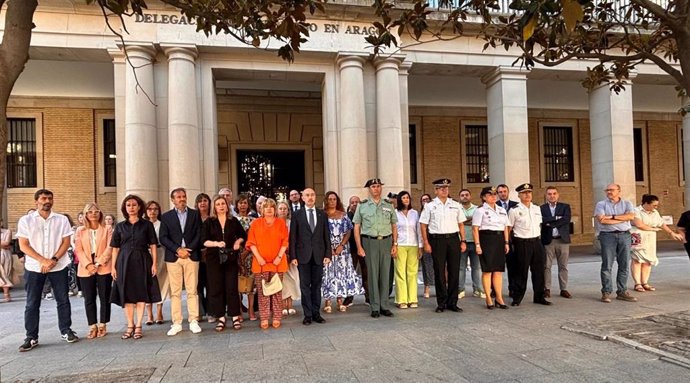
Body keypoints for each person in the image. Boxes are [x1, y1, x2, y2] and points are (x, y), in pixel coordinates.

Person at [17, 189, 77, 352]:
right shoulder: (26, 220)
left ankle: (66, 330)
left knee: (63, 300)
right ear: (36, 201)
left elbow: (66, 242)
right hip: (34, 267)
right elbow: (23, 245)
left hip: (58, 266)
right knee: (32, 302)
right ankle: (31, 336)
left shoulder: (61, 219)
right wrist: (43, 260)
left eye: (49, 198)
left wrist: (54, 260)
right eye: (43, 198)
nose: (47, 201)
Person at [110, 194, 161, 340]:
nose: (131, 207)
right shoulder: (120, 226)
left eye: (134, 205)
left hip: (142, 260)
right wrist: (113, 267)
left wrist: (154, 264)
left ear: (139, 207)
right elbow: (115, 248)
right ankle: (130, 325)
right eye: (128, 205)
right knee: (127, 296)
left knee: (141, 292)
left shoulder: (147, 225)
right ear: (125, 208)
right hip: (124, 262)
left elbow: (153, 245)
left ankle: (138, 325)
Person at [159, 188, 203, 335]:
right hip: (174, 257)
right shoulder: (166, 217)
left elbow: (199, 234)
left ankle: (193, 320)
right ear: (173, 200)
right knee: (175, 292)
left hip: (191, 256)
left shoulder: (195, 214)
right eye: (178, 197)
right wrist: (178, 250)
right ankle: (176, 323)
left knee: (192, 290)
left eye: (184, 196)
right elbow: (163, 238)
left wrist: (188, 249)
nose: (182, 199)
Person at [419, 179, 467, 313]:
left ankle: (453, 302)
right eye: (441, 188)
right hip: (437, 240)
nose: (444, 190)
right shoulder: (430, 206)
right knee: (439, 271)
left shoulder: (456, 205)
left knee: (454, 271)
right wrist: (426, 242)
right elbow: (423, 225)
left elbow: (461, 224)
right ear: (435, 190)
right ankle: (441, 302)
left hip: (453, 239)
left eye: (446, 187)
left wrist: (463, 240)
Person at [353, 178, 398, 319]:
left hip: (386, 241)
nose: (376, 189)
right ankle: (374, 306)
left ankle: (384, 306)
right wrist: (359, 246)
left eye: (378, 186)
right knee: (372, 274)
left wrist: (395, 244)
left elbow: (394, 225)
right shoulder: (362, 205)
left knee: (385, 274)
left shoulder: (388, 205)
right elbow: (356, 227)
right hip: (369, 241)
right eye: (373, 186)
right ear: (369, 189)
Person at [202, 195, 247, 331]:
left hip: (230, 258)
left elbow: (243, 236)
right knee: (216, 288)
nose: (221, 206)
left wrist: (237, 242)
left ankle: (234, 316)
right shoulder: (209, 222)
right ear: (214, 207)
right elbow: (203, 241)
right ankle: (220, 317)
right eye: (218, 204)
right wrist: (216, 243)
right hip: (214, 258)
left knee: (231, 287)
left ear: (227, 206)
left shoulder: (233, 221)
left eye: (223, 203)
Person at [289, 188, 331, 325]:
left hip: (319, 255)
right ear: (302, 197)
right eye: (307, 195)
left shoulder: (322, 214)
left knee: (317, 286)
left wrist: (328, 254)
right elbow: (293, 237)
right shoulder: (297, 215)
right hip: (303, 256)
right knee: (305, 286)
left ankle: (316, 313)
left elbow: (326, 236)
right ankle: (307, 315)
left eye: (312, 194)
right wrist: (293, 256)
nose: (310, 197)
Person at [246, 198, 289, 329]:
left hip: (277, 262)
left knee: (276, 291)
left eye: (271, 206)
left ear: (274, 209)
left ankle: (276, 316)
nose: (269, 209)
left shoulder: (281, 223)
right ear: (261, 209)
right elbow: (251, 242)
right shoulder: (255, 223)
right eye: (266, 207)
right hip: (260, 263)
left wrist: (279, 256)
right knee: (263, 292)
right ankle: (264, 317)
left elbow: (285, 242)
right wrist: (258, 257)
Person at [507, 183, 551, 306]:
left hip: (536, 242)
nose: (527, 195)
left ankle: (539, 296)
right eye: (524, 193)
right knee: (521, 271)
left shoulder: (536, 208)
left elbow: (540, 225)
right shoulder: (514, 210)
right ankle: (517, 297)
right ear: (519, 195)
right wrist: (508, 243)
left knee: (539, 271)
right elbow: (508, 228)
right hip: (522, 242)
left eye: (529, 192)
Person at [74, 203, 113, 339]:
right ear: (86, 215)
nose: (93, 214)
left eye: (96, 211)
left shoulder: (107, 228)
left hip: (104, 265)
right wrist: (88, 264)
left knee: (104, 297)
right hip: (86, 267)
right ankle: (92, 325)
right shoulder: (80, 230)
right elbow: (78, 249)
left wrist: (99, 262)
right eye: (90, 212)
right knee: (89, 298)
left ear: (100, 213)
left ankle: (103, 324)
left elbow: (110, 247)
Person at [630, 194, 684, 292]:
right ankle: (637, 283)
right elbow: (639, 224)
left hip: (650, 238)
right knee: (637, 259)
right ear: (646, 203)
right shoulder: (636, 211)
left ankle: (645, 282)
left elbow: (662, 223)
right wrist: (653, 229)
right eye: (654, 205)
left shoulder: (655, 212)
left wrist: (671, 233)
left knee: (648, 260)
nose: (656, 207)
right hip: (638, 236)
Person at [322, 191, 364, 313]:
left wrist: (341, 245)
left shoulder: (343, 215)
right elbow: (320, 233)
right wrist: (328, 247)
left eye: (334, 199)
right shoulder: (322, 215)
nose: (332, 201)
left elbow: (349, 231)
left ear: (337, 201)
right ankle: (328, 301)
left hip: (342, 249)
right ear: (326, 200)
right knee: (328, 274)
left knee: (341, 274)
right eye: (329, 199)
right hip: (327, 249)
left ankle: (340, 300)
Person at [594, 183, 637, 303]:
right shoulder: (601, 204)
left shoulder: (627, 203)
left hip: (625, 235)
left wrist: (611, 217)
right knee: (607, 264)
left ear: (619, 191)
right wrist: (621, 218)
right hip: (607, 236)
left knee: (624, 264)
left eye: (612, 190)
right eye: (607, 190)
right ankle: (606, 291)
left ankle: (622, 291)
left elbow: (631, 216)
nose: (609, 192)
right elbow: (602, 220)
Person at [472, 186, 510, 310]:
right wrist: (477, 245)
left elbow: (505, 227)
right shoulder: (480, 210)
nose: (493, 196)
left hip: (499, 239)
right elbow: (475, 228)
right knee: (487, 270)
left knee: (498, 270)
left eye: (495, 194)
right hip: (486, 239)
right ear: (483, 197)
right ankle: (488, 297)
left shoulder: (501, 209)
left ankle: (499, 297)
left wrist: (506, 242)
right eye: (489, 195)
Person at [540, 186, 573, 299]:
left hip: (562, 240)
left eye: (554, 193)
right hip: (548, 240)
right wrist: (556, 218)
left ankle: (563, 289)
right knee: (546, 266)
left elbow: (566, 220)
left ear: (558, 195)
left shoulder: (565, 207)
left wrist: (551, 221)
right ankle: (547, 289)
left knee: (563, 266)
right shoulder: (541, 208)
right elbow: (542, 221)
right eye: (549, 194)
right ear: (546, 195)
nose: (552, 196)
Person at [394, 191, 422, 309]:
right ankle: (402, 299)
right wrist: (394, 244)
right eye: (403, 198)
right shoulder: (395, 213)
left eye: (407, 198)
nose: (406, 200)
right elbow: (394, 229)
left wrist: (420, 246)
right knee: (400, 272)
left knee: (412, 272)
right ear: (399, 200)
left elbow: (419, 230)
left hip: (413, 245)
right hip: (400, 244)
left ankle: (412, 298)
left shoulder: (414, 213)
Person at [143, 200, 168, 326]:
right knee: (147, 283)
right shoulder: (142, 225)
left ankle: (159, 311)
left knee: (161, 282)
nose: (152, 212)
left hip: (160, 253)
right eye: (150, 209)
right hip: (146, 255)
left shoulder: (162, 224)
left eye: (155, 209)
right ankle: (149, 313)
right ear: (146, 211)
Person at [458, 189, 484, 299]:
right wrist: (470, 220)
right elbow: (457, 222)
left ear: (470, 196)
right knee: (461, 267)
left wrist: (463, 222)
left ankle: (478, 289)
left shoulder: (477, 209)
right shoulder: (456, 208)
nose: (464, 197)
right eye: (462, 195)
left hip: (475, 241)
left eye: (466, 195)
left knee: (477, 267)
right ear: (459, 197)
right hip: (461, 241)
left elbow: (478, 223)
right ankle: (460, 289)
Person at [342, 195, 367, 307]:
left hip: (365, 248)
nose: (355, 204)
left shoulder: (365, 215)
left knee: (366, 273)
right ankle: (349, 298)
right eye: (352, 202)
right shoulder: (346, 217)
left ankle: (369, 297)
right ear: (349, 204)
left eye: (357, 202)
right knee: (351, 273)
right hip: (351, 249)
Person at [236, 193, 257, 321]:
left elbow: (255, 238)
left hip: (250, 254)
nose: (243, 205)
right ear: (237, 205)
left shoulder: (254, 221)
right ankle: (238, 311)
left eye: (245, 203)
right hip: (237, 254)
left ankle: (250, 311)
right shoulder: (233, 220)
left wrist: (247, 251)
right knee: (237, 283)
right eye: (240, 203)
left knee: (251, 284)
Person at [277, 201, 300, 316]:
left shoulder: (291, 223)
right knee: (282, 280)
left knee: (292, 279)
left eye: (285, 208)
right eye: (280, 208)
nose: (282, 210)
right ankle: (282, 305)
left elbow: (296, 239)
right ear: (277, 210)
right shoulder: (274, 223)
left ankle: (290, 304)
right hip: (278, 256)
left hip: (291, 255)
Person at [496, 184, 518, 298]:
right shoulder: (493, 205)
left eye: (504, 191)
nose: (502, 193)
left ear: (508, 192)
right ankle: (495, 290)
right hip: (497, 240)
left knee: (512, 266)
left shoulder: (516, 205)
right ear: (497, 194)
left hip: (512, 241)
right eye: (500, 192)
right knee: (495, 266)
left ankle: (512, 289)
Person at [195, 193, 212, 322]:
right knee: (197, 286)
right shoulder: (192, 219)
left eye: (205, 200)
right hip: (196, 256)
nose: (202, 203)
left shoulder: (213, 219)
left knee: (211, 284)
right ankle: (199, 311)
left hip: (211, 256)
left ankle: (211, 311)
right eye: (200, 201)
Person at [419, 193, 434, 299]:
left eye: (427, 199)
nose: (425, 201)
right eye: (423, 200)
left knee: (439, 265)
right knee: (426, 265)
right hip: (425, 242)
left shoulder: (434, 211)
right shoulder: (419, 214)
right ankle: (427, 288)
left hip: (436, 240)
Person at [1, 219, 14, 302]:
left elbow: (6, 243)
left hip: (5, 255)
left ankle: (6, 294)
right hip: (4, 250)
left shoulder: (7, 231)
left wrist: (5, 244)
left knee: (5, 273)